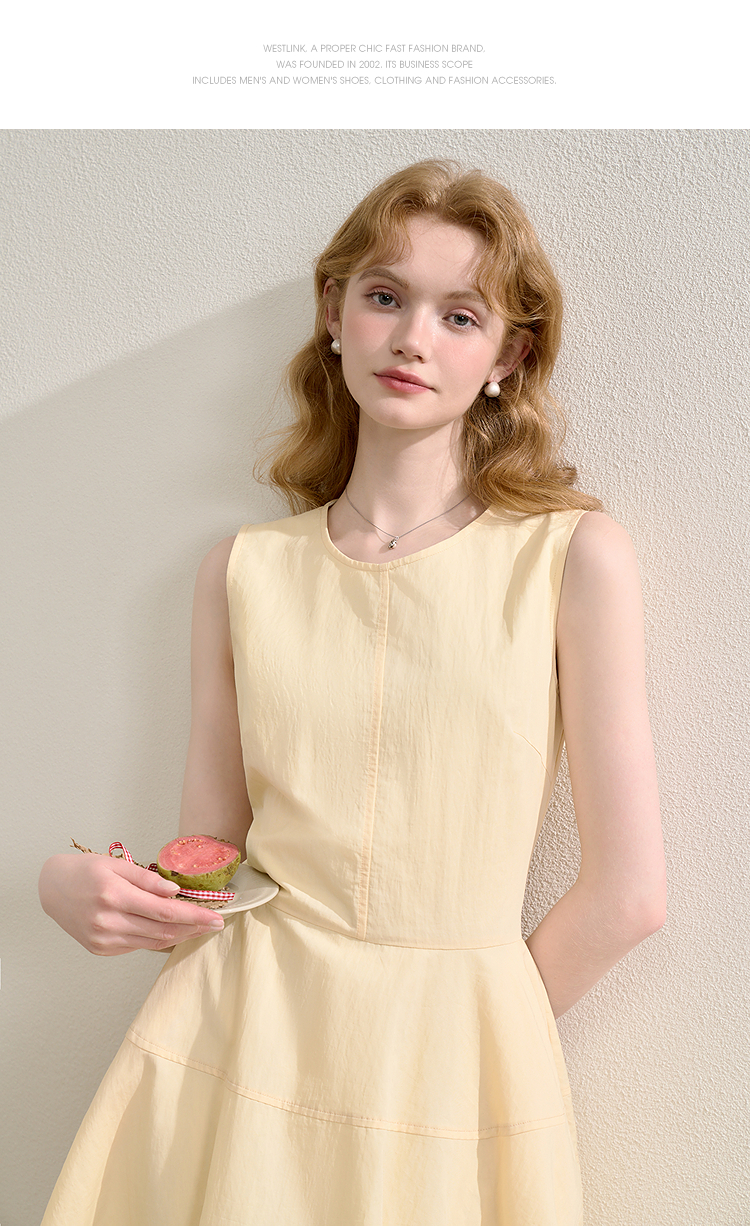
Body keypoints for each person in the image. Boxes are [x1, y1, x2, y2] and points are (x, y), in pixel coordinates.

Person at [38, 159, 666, 1225]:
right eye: (385, 296)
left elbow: (629, 897)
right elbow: (212, 860)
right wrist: (80, 885)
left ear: (509, 356)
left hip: (450, 1065)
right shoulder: (241, 570)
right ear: (334, 314)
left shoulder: (572, 558)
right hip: (238, 1037)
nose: (414, 338)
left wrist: (469, 1039)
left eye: (460, 314)